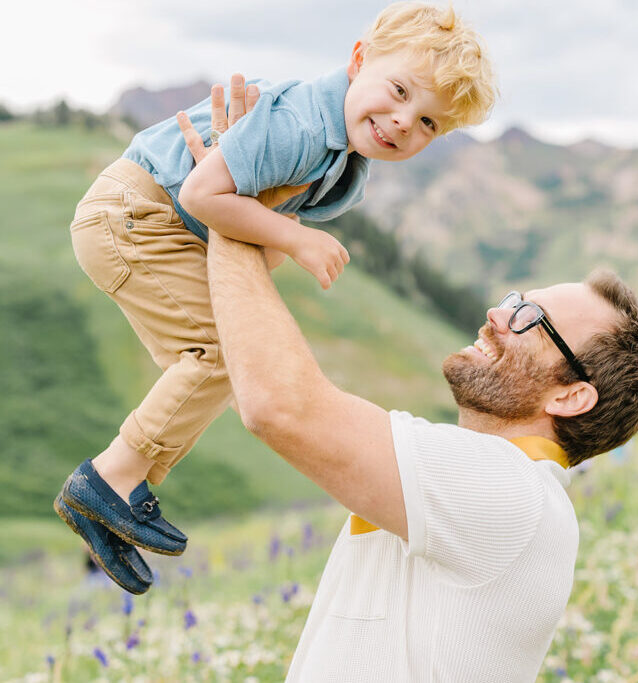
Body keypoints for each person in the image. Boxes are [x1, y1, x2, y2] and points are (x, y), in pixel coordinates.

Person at [180, 82, 638, 683]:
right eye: (515, 298)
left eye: (530, 319)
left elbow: (283, 407)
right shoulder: (487, 490)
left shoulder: (510, 491)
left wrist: (230, 203)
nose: (497, 314)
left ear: (571, 395)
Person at [54, 2, 496, 594]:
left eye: (428, 124)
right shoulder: (305, 126)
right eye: (397, 90)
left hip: (153, 225)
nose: (401, 122)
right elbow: (204, 194)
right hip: (134, 218)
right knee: (218, 353)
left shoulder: (342, 165)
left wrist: (273, 239)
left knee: (233, 363)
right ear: (359, 59)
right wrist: (295, 236)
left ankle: (115, 493)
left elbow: (247, 231)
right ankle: (108, 480)